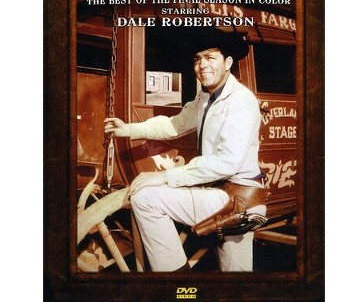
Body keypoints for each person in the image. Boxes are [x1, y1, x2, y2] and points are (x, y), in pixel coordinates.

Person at [104, 27, 267, 272]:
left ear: (227, 63)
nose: (202, 65)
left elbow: (227, 163)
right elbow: (175, 125)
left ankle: (174, 279)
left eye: (210, 57)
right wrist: (127, 129)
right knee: (236, 277)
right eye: (197, 59)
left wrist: (163, 177)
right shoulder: (206, 97)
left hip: (238, 199)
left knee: (146, 199)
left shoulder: (241, 101)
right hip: (220, 193)